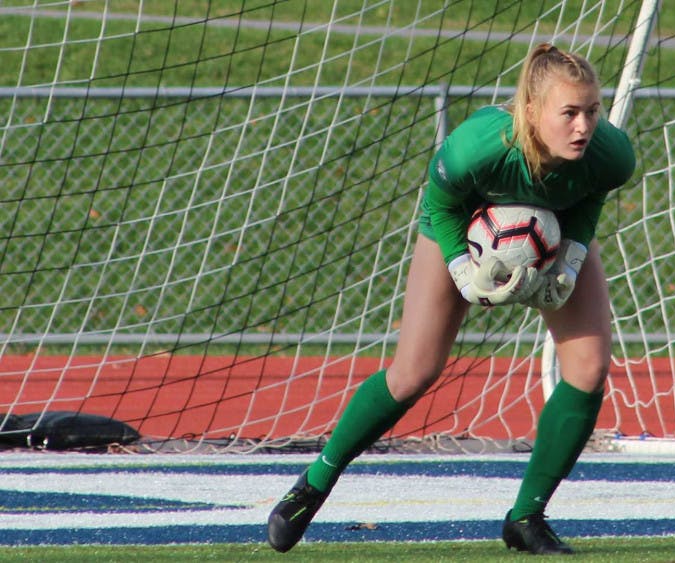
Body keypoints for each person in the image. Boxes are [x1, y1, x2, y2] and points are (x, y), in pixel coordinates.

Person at [267, 43, 636, 555]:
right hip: (461, 225)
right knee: (413, 371)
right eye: (569, 113)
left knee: (589, 369)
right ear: (531, 111)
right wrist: (463, 269)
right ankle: (311, 486)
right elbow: (439, 205)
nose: (583, 126)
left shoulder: (611, 154)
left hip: (553, 231)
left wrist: (570, 261)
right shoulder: (477, 147)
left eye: (592, 111)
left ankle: (526, 518)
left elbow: (589, 196)